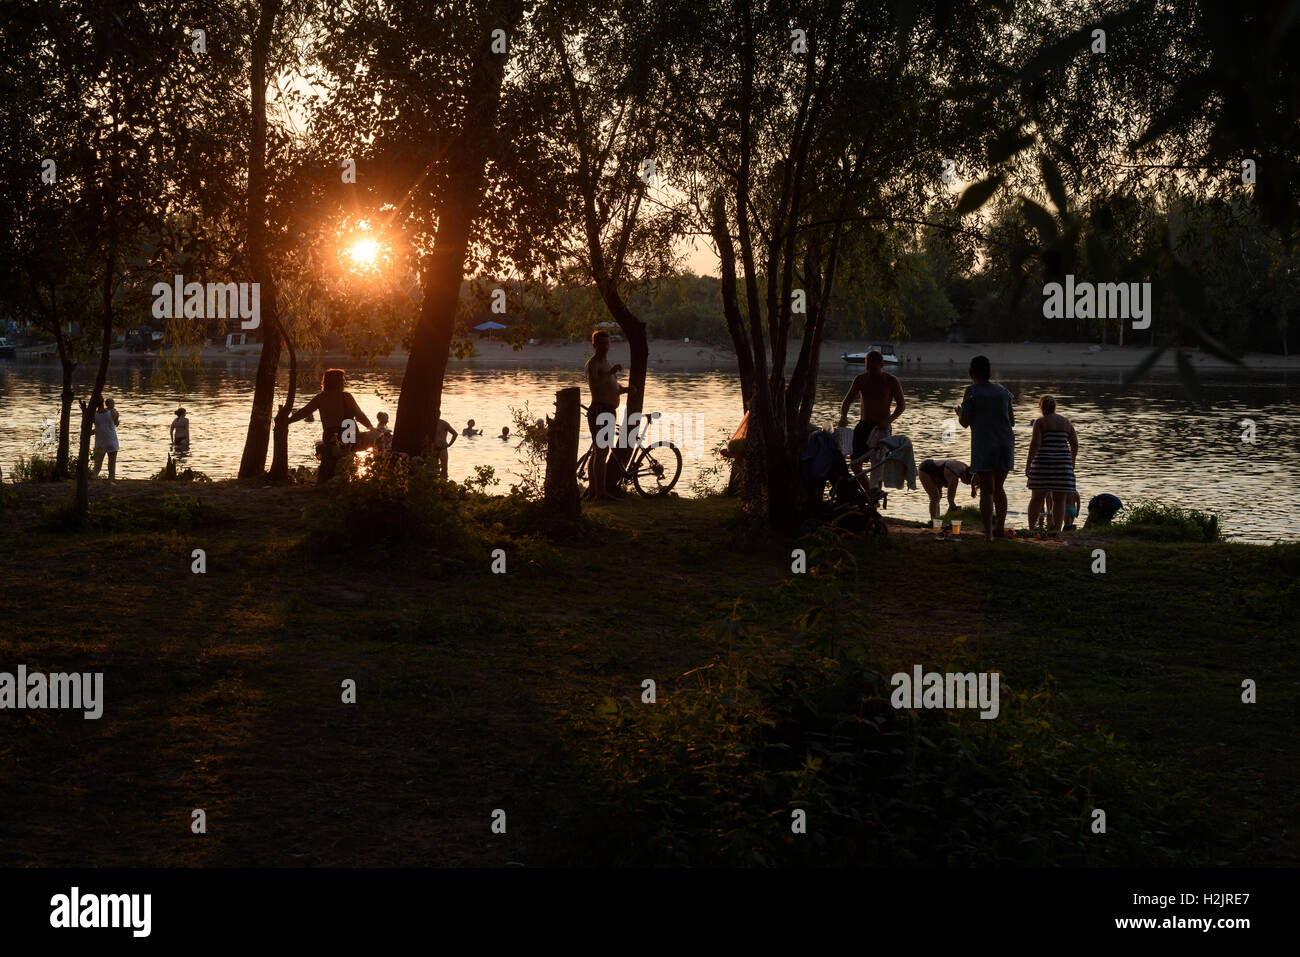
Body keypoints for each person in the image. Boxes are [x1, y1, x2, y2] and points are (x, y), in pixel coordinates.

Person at [957, 355, 1015, 541]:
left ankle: (988, 534)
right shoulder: (1003, 391)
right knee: (999, 488)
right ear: (989, 371)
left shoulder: (971, 391)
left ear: (972, 372)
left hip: (984, 445)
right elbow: (1012, 421)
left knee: (987, 491)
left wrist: (960, 413)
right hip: (1005, 444)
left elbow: (965, 422)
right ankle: (999, 529)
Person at [287, 369, 373, 483]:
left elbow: (304, 412)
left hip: (330, 437)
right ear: (336, 382)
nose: (344, 383)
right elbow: (360, 415)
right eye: (342, 380)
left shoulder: (320, 398)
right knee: (379, 439)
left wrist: (287, 421)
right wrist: (372, 428)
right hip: (349, 438)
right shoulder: (346, 397)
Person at [837, 350, 905, 491]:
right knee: (855, 465)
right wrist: (843, 416)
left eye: (873, 368)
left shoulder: (891, 381)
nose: (870, 371)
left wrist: (889, 421)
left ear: (882, 365)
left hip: (882, 427)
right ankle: (871, 494)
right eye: (868, 368)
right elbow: (846, 401)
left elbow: (901, 405)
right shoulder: (860, 379)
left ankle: (876, 496)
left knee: (878, 466)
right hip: (864, 425)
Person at [583, 328, 628, 501]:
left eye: (607, 343)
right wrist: (611, 372)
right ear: (594, 345)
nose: (604, 346)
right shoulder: (593, 363)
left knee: (599, 452)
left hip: (608, 410)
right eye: (601, 343)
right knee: (601, 452)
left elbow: (610, 387)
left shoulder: (607, 363)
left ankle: (594, 493)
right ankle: (599, 493)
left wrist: (623, 390)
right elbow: (595, 384)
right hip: (600, 410)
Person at [1025, 395, 1079, 534]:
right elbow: (1074, 444)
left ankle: (1032, 529)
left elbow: (1035, 444)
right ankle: (1056, 530)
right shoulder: (1067, 423)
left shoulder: (1040, 422)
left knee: (1037, 498)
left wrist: (1028, 464)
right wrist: (1072, 462)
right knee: (1059, 500)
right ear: (1055, 407)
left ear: (1041, 408)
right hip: (1063, 465)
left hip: (1043, 464)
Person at [91, 396, 119, 480]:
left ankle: (91, 481)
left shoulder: (93, 415)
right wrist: (116, 417)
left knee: (97, 467)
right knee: (111, 466)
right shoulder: (112, 412)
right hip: (112, 441)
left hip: (100, 443)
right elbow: (116, 423)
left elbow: (96, 429)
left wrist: (95, 431)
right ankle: (111, 482)